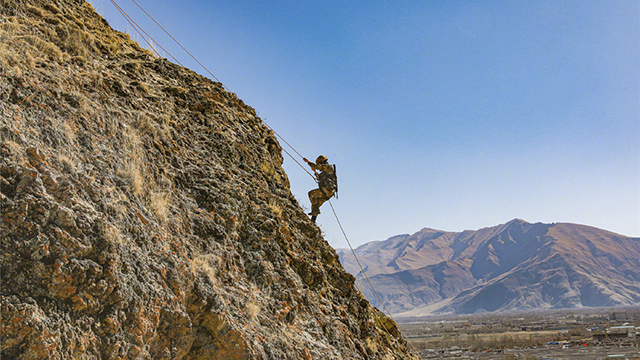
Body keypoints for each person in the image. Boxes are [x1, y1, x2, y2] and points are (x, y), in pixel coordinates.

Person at [303, 155, 337, 223]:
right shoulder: (326, 171)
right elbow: (319, 178)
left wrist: (308, 162)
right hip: (329, 192)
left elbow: (317, 167)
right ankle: (313, 220)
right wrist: (315, 172)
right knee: (316, 204)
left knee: (311, 194)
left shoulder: (328, 167)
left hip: (327, 190)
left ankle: (314, 215)